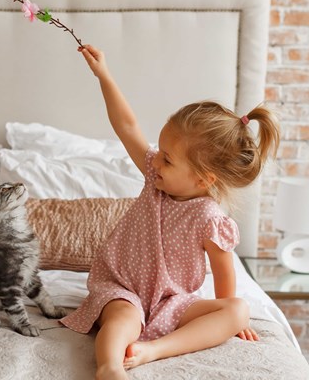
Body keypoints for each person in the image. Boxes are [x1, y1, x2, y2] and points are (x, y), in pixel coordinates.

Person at [59, 44, 280, 380]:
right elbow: (127, 126)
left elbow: (224, 275)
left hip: (171, 301)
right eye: (160, 152)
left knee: (237, 310)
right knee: (122, 320)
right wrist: (103, 75)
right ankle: (109, 367)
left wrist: (232, 319)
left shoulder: (210, 219)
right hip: (123, 288)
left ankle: (154, 350)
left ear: (203, 178)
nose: (156, 160)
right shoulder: (153, 176)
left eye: (167, 159)